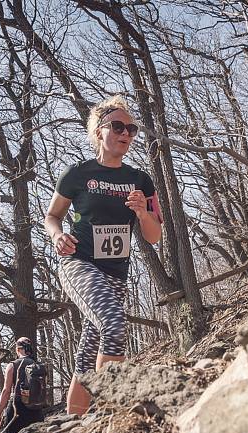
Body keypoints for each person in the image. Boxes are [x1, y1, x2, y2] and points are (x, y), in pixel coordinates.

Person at [44, 95, 162, 415]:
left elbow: (154, 235)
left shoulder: (140, 180)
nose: (126, 133)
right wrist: (58, 236)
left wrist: (142, 213)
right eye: (118, 126)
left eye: (132, 128)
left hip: (116, 274)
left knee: (91, 348)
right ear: (99, 131)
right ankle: (111, 412)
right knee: (113, 324)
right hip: (78, 262)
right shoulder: (77, 173)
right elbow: (52, 216)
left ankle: (74, 424)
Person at [0, 337, 46, 433]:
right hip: (36, 408)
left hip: (17, 407)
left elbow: (6, 391)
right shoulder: (39, 366)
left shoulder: (13, 365)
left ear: (18, 349)